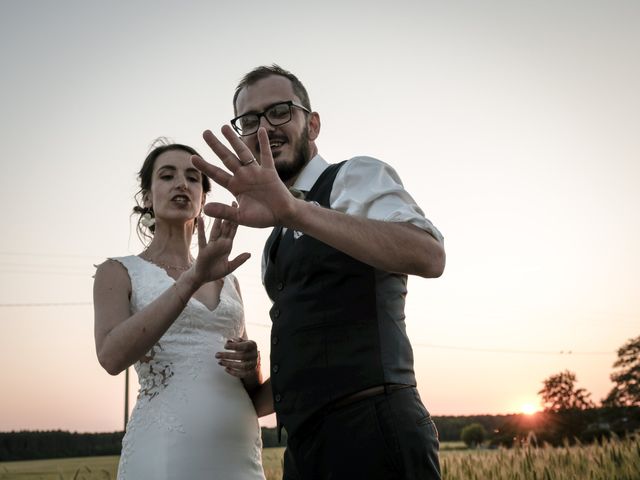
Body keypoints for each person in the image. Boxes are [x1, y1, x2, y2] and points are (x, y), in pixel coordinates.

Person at [192, 65, 446, 479]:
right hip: (305, 449)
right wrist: (252, 374)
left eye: (279, 112)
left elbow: (428, 255)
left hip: (374, 431)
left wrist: (296, 211)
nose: (264, 130)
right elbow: (309, 357)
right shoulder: (273, 243)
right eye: (250, 121)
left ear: (312, 123)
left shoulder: (354, 176)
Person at [93, 140, 266, 480]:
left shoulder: (229, 280)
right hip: (166, 450)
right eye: (167, 176)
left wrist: (251, 362)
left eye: (193, 177)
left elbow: (252, 388)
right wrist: (192, 279)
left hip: (239, 454)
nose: (182, 184)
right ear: (146, 197)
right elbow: (111, 357)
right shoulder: (118, 271)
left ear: (203, 198)